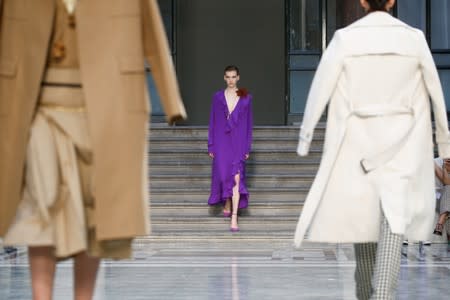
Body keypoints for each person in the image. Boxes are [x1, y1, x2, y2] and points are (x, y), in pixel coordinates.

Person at [0, 1, 186, 299]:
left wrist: (171, 100)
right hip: (36, 107)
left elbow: (151, 30)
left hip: (105, 108)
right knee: (39, 206)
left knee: (93, 213)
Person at [293, 0, 450, 299]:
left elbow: (321, 86)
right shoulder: (413, 38)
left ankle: (370, 294)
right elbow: (435, 91)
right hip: (401, 141)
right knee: (393, 219)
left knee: (364, 220)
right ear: (392, 2)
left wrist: (306, 137)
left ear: (363, 2)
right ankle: (381, 295)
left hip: (358, 141)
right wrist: (444, 142)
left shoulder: (345, 38)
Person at [208, 65, 253, 232]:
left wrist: (247, 147)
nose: (231, 80)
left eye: (234, 77)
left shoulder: (245, 96)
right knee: (223, 174)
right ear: (224, 78)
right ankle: (226, 201)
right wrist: (211, 144)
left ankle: (234, 217)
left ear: (238, 78)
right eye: (228, 77)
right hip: (221, 141)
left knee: (236, 178)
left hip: (239, 142)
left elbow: (249, 124)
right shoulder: (217, 97)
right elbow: (212, 121)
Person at [433, 157, 450, 240]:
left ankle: (441, 221)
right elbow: (446, 182)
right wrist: (444, 167)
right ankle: (442, 218)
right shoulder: (435, 162)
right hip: (435, 198)